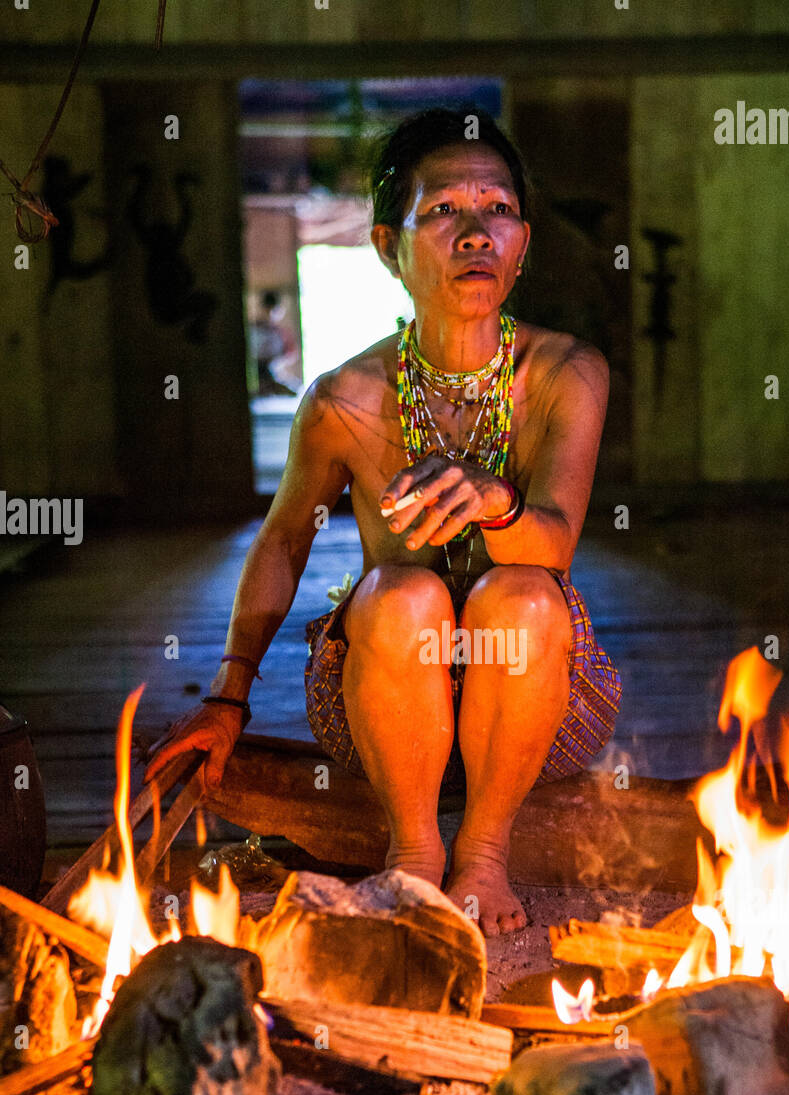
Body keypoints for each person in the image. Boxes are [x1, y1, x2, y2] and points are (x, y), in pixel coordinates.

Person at [146, 107, 621, 936]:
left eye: (498, 210)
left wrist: (496, 499)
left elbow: (554, 538)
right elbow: (284, 539)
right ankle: (413, 854)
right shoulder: (342, 399)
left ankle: (482, 853)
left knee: (524, 595)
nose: (476, 232)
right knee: (401, 592)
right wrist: (227, 697)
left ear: (523, 242)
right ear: (385, 246)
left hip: (542, 688)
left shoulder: (566, 374)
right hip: (380, 688)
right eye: (442, 211)